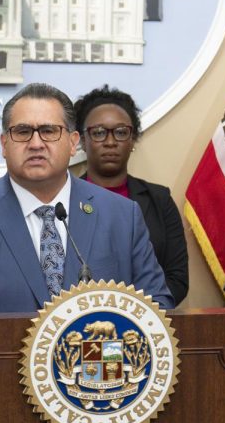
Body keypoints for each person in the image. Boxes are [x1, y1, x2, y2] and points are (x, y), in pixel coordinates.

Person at [0, 82, 173, 313]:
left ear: (73, 143)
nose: (36, 143)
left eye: (49, 131)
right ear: (4, 144)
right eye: (22, 132)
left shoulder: (122, 215)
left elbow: (156, 305)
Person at [73, 85, 189, 305]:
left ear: (133, 139)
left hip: (146, 322)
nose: (110, 142)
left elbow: (178, 278)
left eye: (120, 132)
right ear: (81, 141)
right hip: (79, 320)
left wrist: (134, 313)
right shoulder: (64, 202)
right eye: (98, 132)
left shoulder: (159, 200)